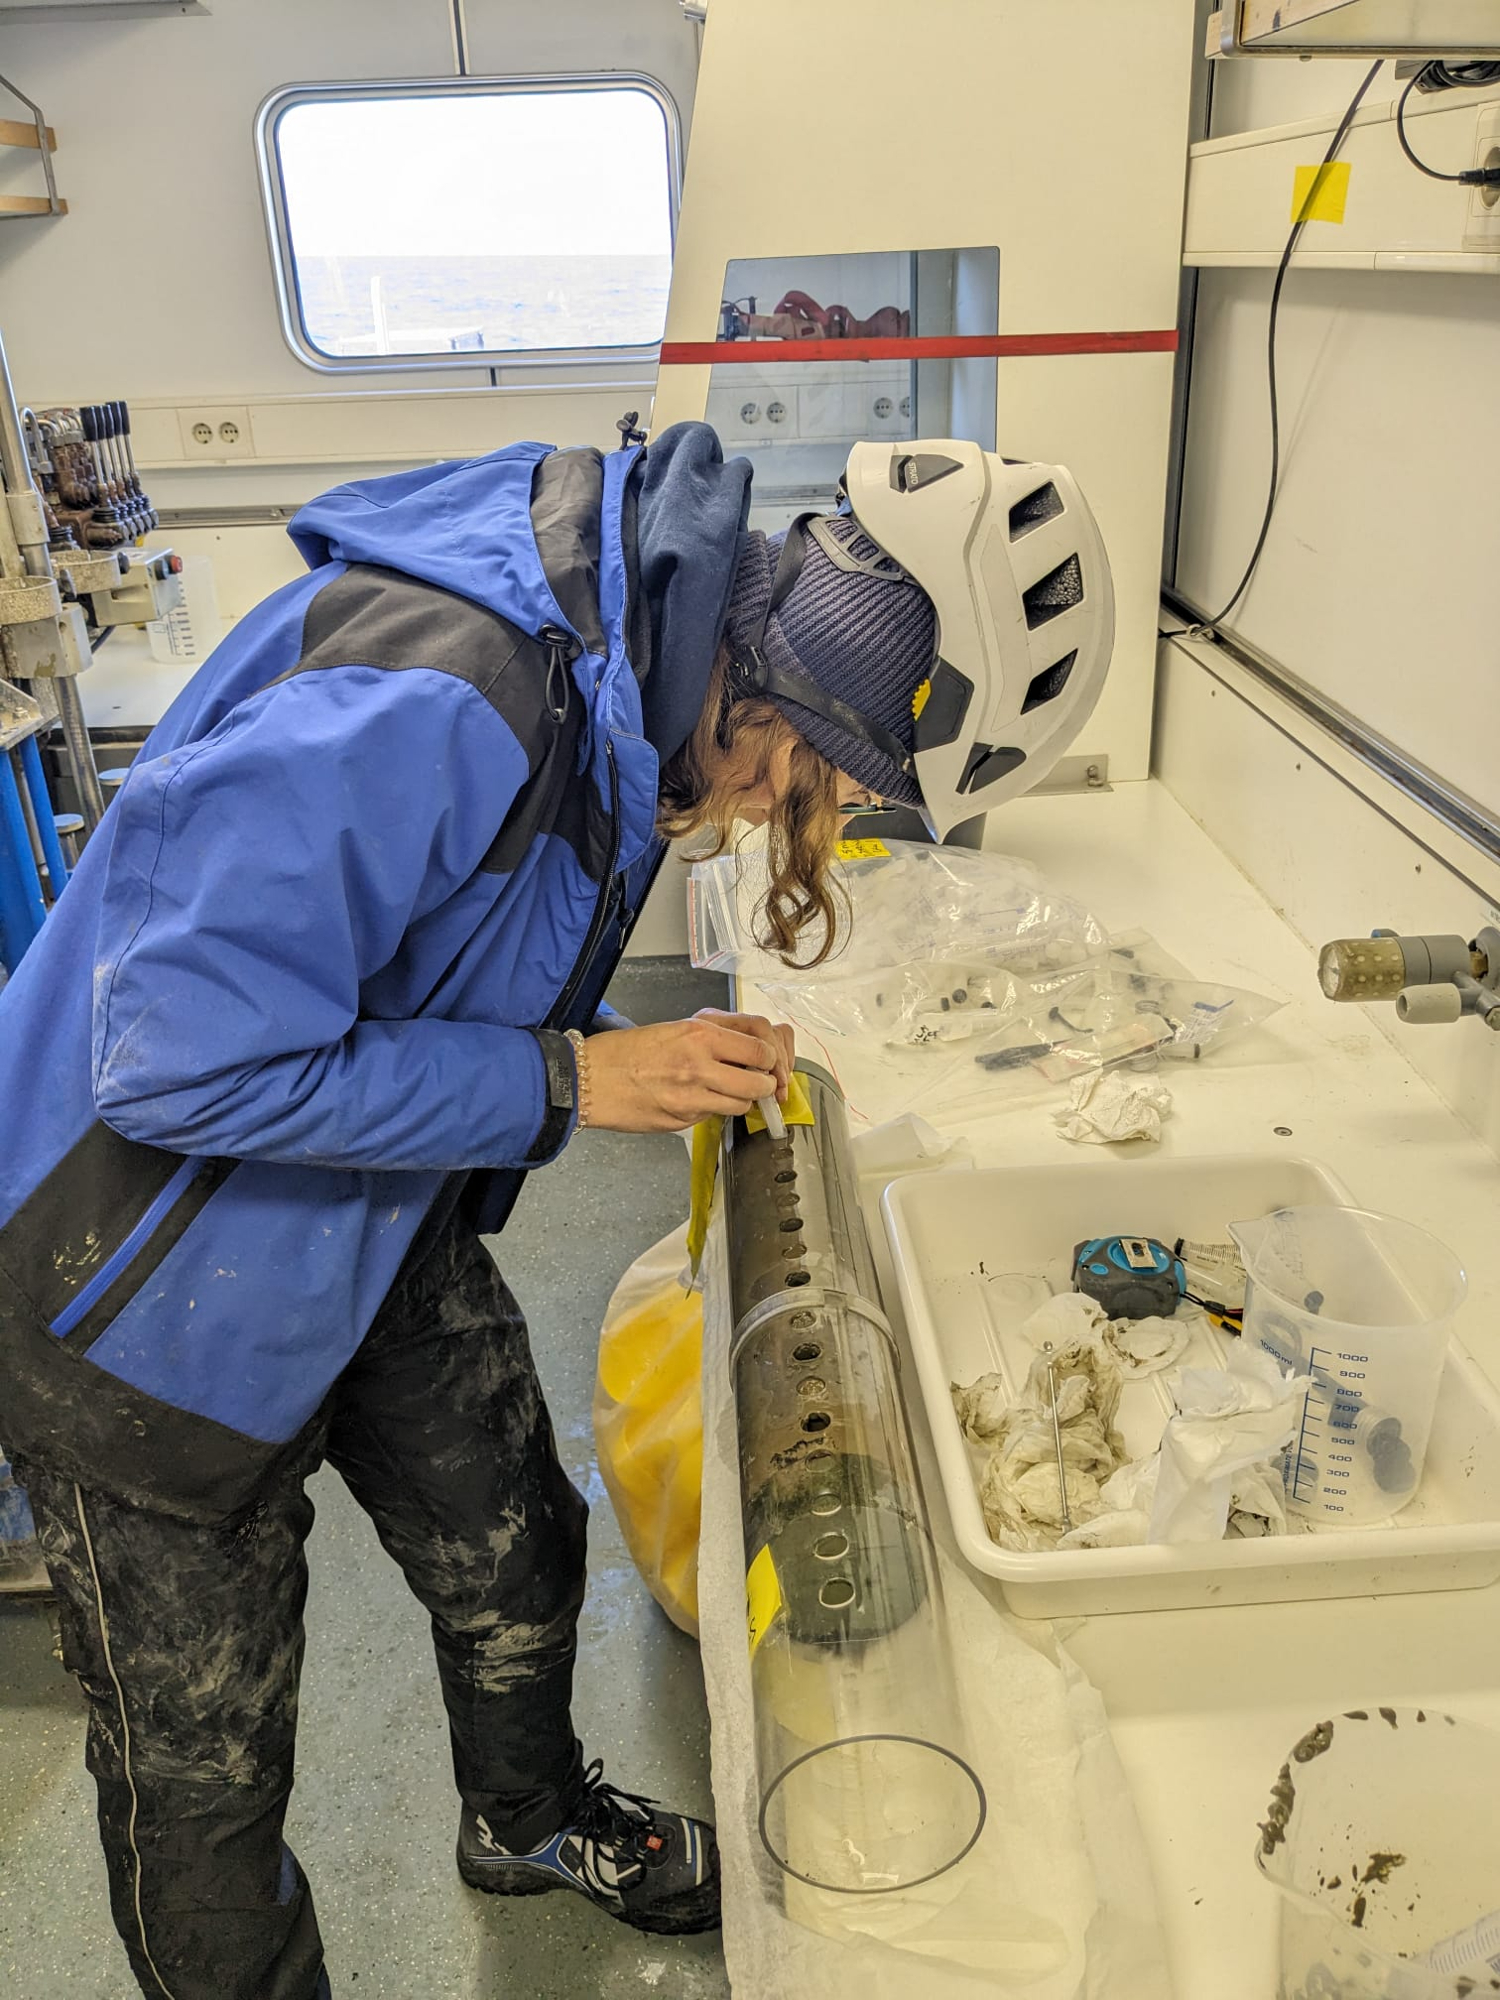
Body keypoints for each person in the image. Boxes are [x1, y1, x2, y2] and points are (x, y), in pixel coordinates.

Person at [0, 420, 1111, 1999]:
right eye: (810, 782)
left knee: (515, 1542)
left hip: (360, 1202)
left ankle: (521, 1822)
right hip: (131, 1279)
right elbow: (177, 1070)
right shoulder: (456, 691)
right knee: (205, 1777)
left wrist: (597, 1069)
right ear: (777, 688)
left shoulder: (626, 680)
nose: (777, 818)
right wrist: (575, 1083)